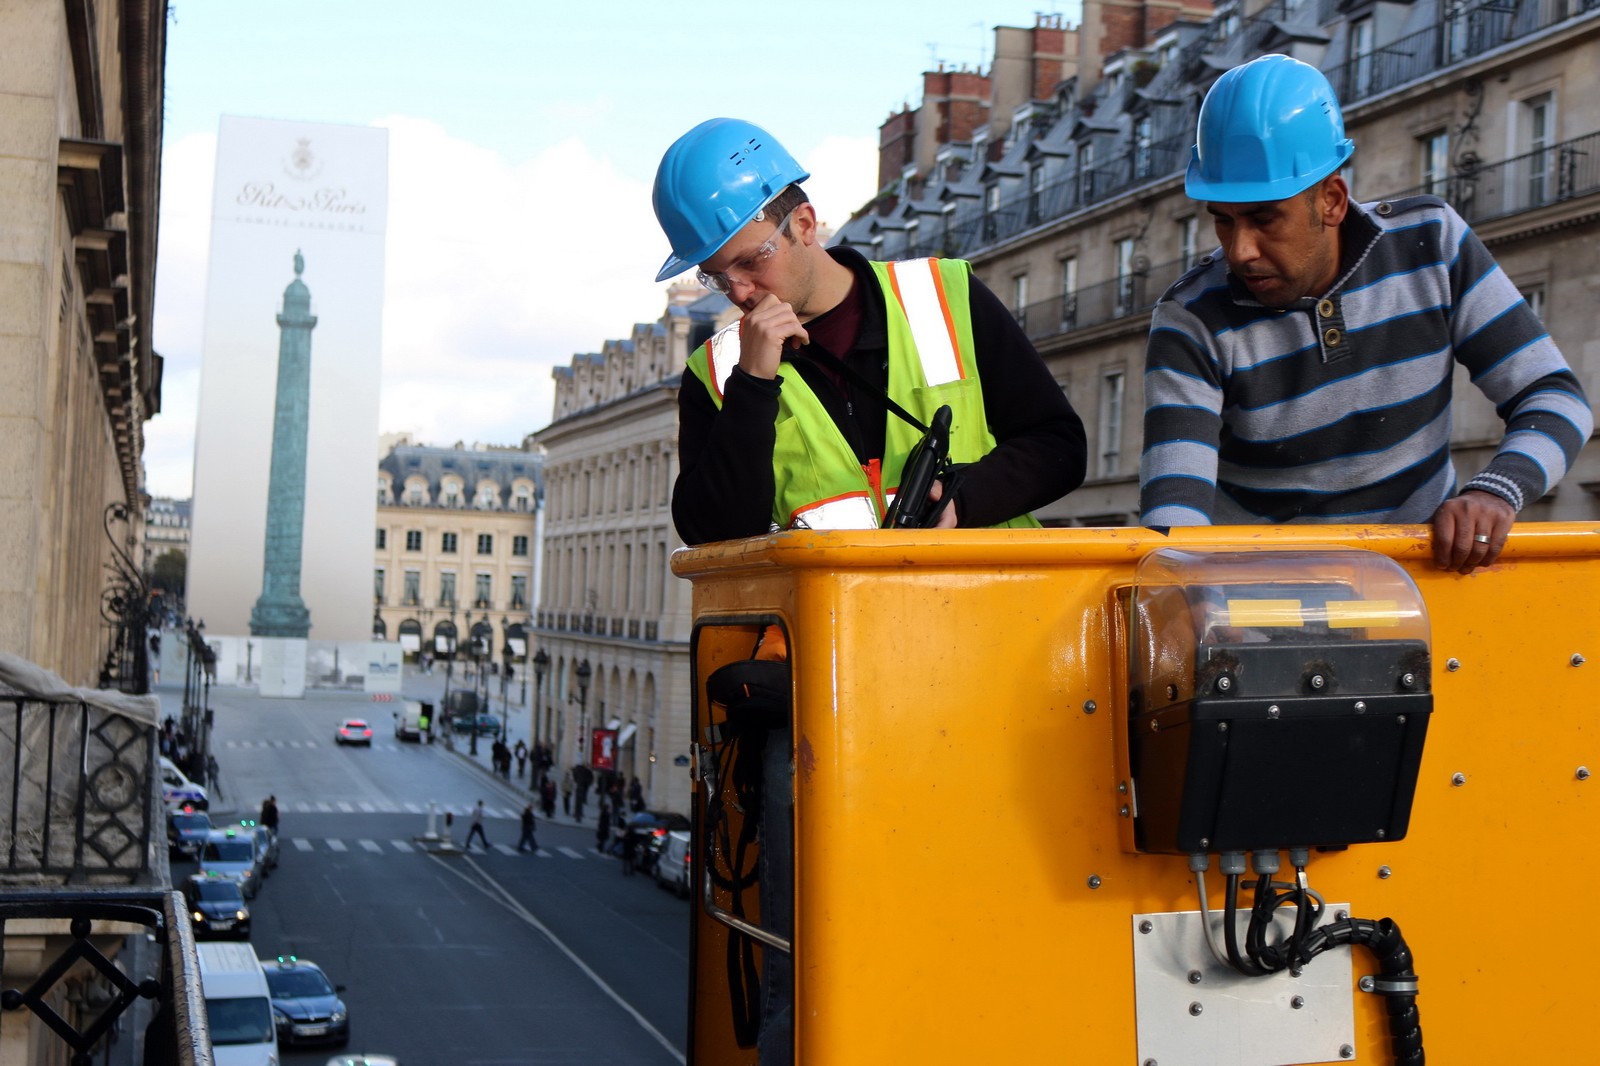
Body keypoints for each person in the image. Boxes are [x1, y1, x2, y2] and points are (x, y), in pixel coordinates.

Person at [1140, 54, 1593, 574]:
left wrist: (1496, 492)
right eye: (1223, 221)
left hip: (1421, 577)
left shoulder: (1432, 244)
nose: (1240, 250)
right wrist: (1195, 587)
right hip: (1260, 590)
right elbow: (1175, 518)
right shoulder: (1189, 317)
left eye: (1265, 218)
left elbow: (1554, 397)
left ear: (1332, 201)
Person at [654, 118, 1087, 545]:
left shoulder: (942, 295)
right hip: (833, 597)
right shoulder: (716, 372)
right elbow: (711, 534)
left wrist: (964, 499)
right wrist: (751, 385)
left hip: (983, 590)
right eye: (716, 277)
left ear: (804, 224)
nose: (738, 291)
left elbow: (1059, 446)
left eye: (751, 261)